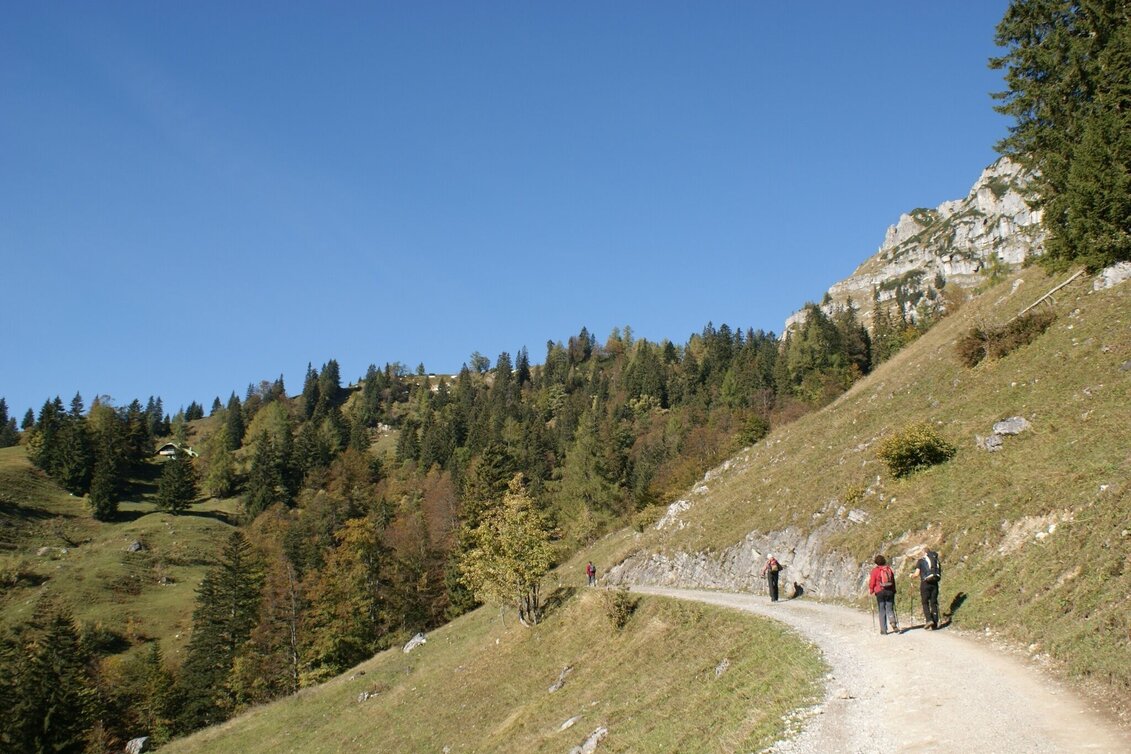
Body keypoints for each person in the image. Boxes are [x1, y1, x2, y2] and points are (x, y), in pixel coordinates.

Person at [908, 546, 942, 630]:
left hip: (925, 583)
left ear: (924, 553)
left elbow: (916, 574)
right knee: (933, 602)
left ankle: (929, 620)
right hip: (935, 583)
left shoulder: (921, 561)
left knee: (925, 602)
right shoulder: (936, 561)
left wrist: (911, 575)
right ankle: (935, 622)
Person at [868, 555, 900, 635]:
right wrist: (894, 590)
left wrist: (871, 590)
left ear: (876, 562)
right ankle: (893, 622)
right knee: (890, 608)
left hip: (880, 592)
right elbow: (893, 580)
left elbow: (872, 582)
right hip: (889, 591)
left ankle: (884, 630)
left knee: (882, 610)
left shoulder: (875, 570)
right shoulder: (888, 569)